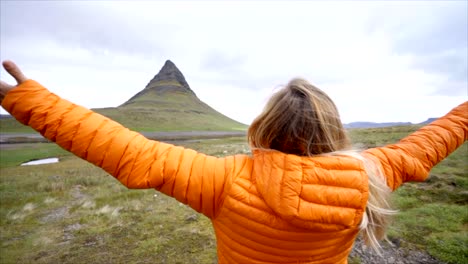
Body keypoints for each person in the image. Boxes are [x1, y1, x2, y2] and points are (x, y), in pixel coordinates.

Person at [0, 60, 466, 264]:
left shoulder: (224, 180)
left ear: (264, 129)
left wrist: (29, 100)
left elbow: (123, 149)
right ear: (335, 131)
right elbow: (433, 139)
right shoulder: (370, 176)